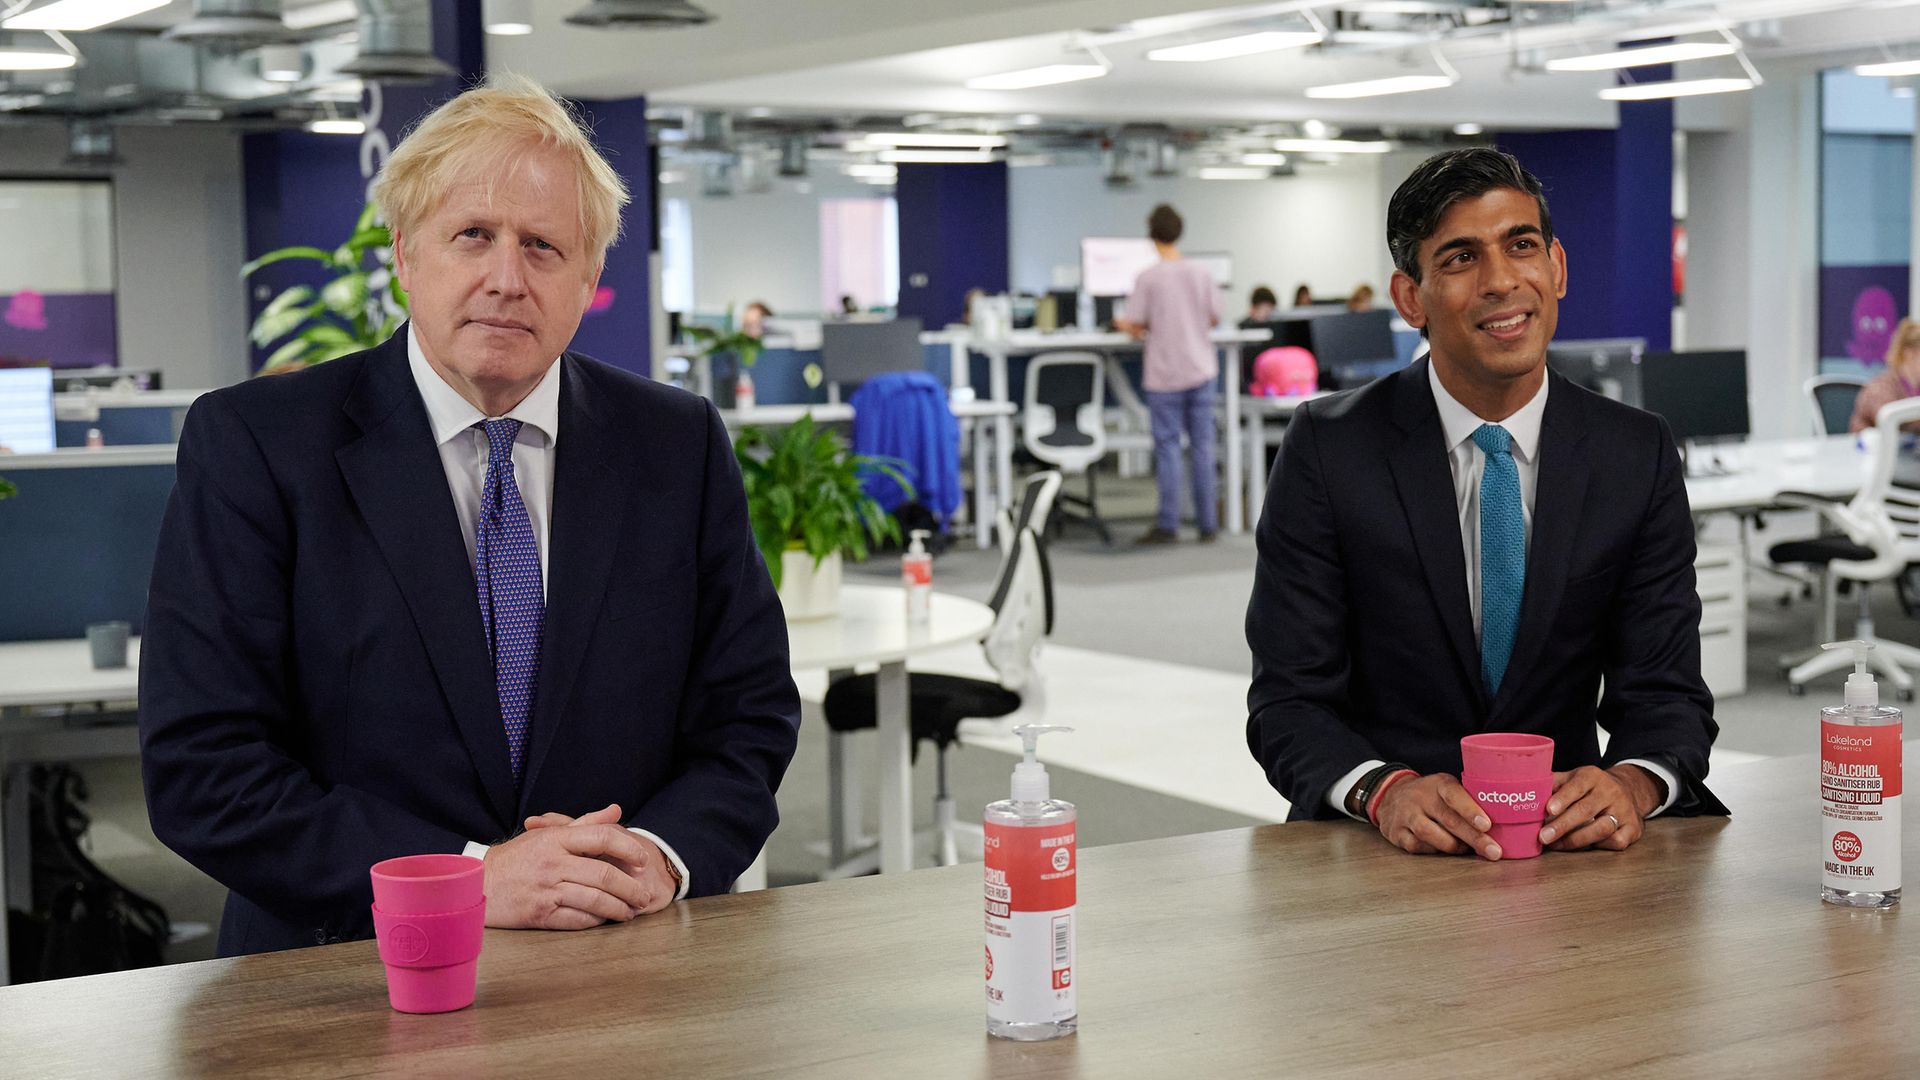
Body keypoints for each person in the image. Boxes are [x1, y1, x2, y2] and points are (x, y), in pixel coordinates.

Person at [139, 75, 802, 956]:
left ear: (590, 278)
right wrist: (466, 876)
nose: (506, 278)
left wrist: (661, 854)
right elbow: (203, 771)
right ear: (407, 254)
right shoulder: (259, 446)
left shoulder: (675, 445)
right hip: (338, 980)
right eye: (473, 236)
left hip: (616, 973)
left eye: (542, 247)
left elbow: (747, 715)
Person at [1245, 148, 1724, 862]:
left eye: (1521, 246)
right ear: (1411, 297)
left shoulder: (1635, 452)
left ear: (1556, 267)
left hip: (1569, 858)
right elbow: (1288, 701)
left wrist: (1632, 783)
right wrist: (1382, 791)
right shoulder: (1327, 448)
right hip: (1379, 857)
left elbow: (1667, 694)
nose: (1502, 282)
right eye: (1462, 258)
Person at [1115, 204, 1222, 544]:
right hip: (1201, 368)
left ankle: (1169, 524)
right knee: (1203, 447)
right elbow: (1215, 317)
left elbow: (1133, 324)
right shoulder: (1202, 273)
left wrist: (1123, 324)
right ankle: (1208, 525)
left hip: (1165, 373)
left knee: (1168, 448)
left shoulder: (1149, 277)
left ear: (1151, 234)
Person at [1849, 316, 1920, 433]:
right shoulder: (1881, 387)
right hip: (1874, 449)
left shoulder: (1916, 386)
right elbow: (1894, 422)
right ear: (1909, 353)